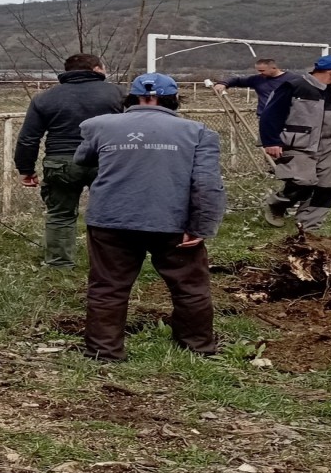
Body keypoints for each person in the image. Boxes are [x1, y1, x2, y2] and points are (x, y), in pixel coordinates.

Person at [73, 73, 226, 361]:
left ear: (133, 97)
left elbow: (82, 160)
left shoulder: (98, 126)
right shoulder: (198, 132)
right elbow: (207, 184)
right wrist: (200, 226)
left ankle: (103, 352)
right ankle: (197, 347)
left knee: (108, 286)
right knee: (190, 286)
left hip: (110, 220)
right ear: (172, 99)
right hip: (173, 222)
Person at [14, 54, 126, 268]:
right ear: (97, 69)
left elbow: (28, 138)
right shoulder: (118, 93)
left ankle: (59, 264)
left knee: (60, 215)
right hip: (107, 161)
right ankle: (114, 263)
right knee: (111, 214)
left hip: (61, 162)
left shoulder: (45, 98)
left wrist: (26, 169)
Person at [259, 54, 331, 232]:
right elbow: (270, 115)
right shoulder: (294, 86)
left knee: (326, 189)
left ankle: (308, 230)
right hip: (298, 144)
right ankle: (277, 204)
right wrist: (271, 141)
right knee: (303, 183)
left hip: (328, 145)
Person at [214, 58, 299, 116]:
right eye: (258, 70)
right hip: (264, 116)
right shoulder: (257, 79)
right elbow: (237, 80)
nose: (260, 73)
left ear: (274, 68)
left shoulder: (294, 79)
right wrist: (223, 83)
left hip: (287, 117)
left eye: (262, 70)